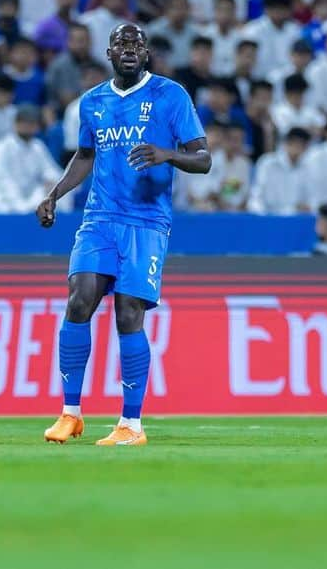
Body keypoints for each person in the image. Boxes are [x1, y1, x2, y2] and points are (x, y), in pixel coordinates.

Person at [36, 23, 210, 447]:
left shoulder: (171, 95)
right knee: (79, 301)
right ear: (110, 54)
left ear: (146, 53)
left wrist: (168, 154)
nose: (129, 49)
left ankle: (131, 424)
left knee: (128, 312)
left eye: (136, 43)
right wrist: (54, 194)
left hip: (147, 223)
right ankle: (70, 414)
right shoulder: (92, 102)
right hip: (99, 218)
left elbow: (203, 158)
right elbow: (85, 155)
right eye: (120, 44)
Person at [0, 104, 64, 213]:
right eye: (23, 122)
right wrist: (20, 205)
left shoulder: (37, 147)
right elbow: (1, 180)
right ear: (15, 124)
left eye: (31, 123)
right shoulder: (0, 148)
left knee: (54, 195)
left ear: (37, 126)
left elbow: (51, 171)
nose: (27, 126)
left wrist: (50, 180)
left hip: (27, 201)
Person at [247, 127, 312, 215]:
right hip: (267, 217)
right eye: (296, 144)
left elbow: (307, 201)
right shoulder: (267, 163)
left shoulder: (306, 169)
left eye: (303, 146)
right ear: (287, 143)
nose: (298, 149)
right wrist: (262, 217)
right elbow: (256, 195)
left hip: (293, 219)